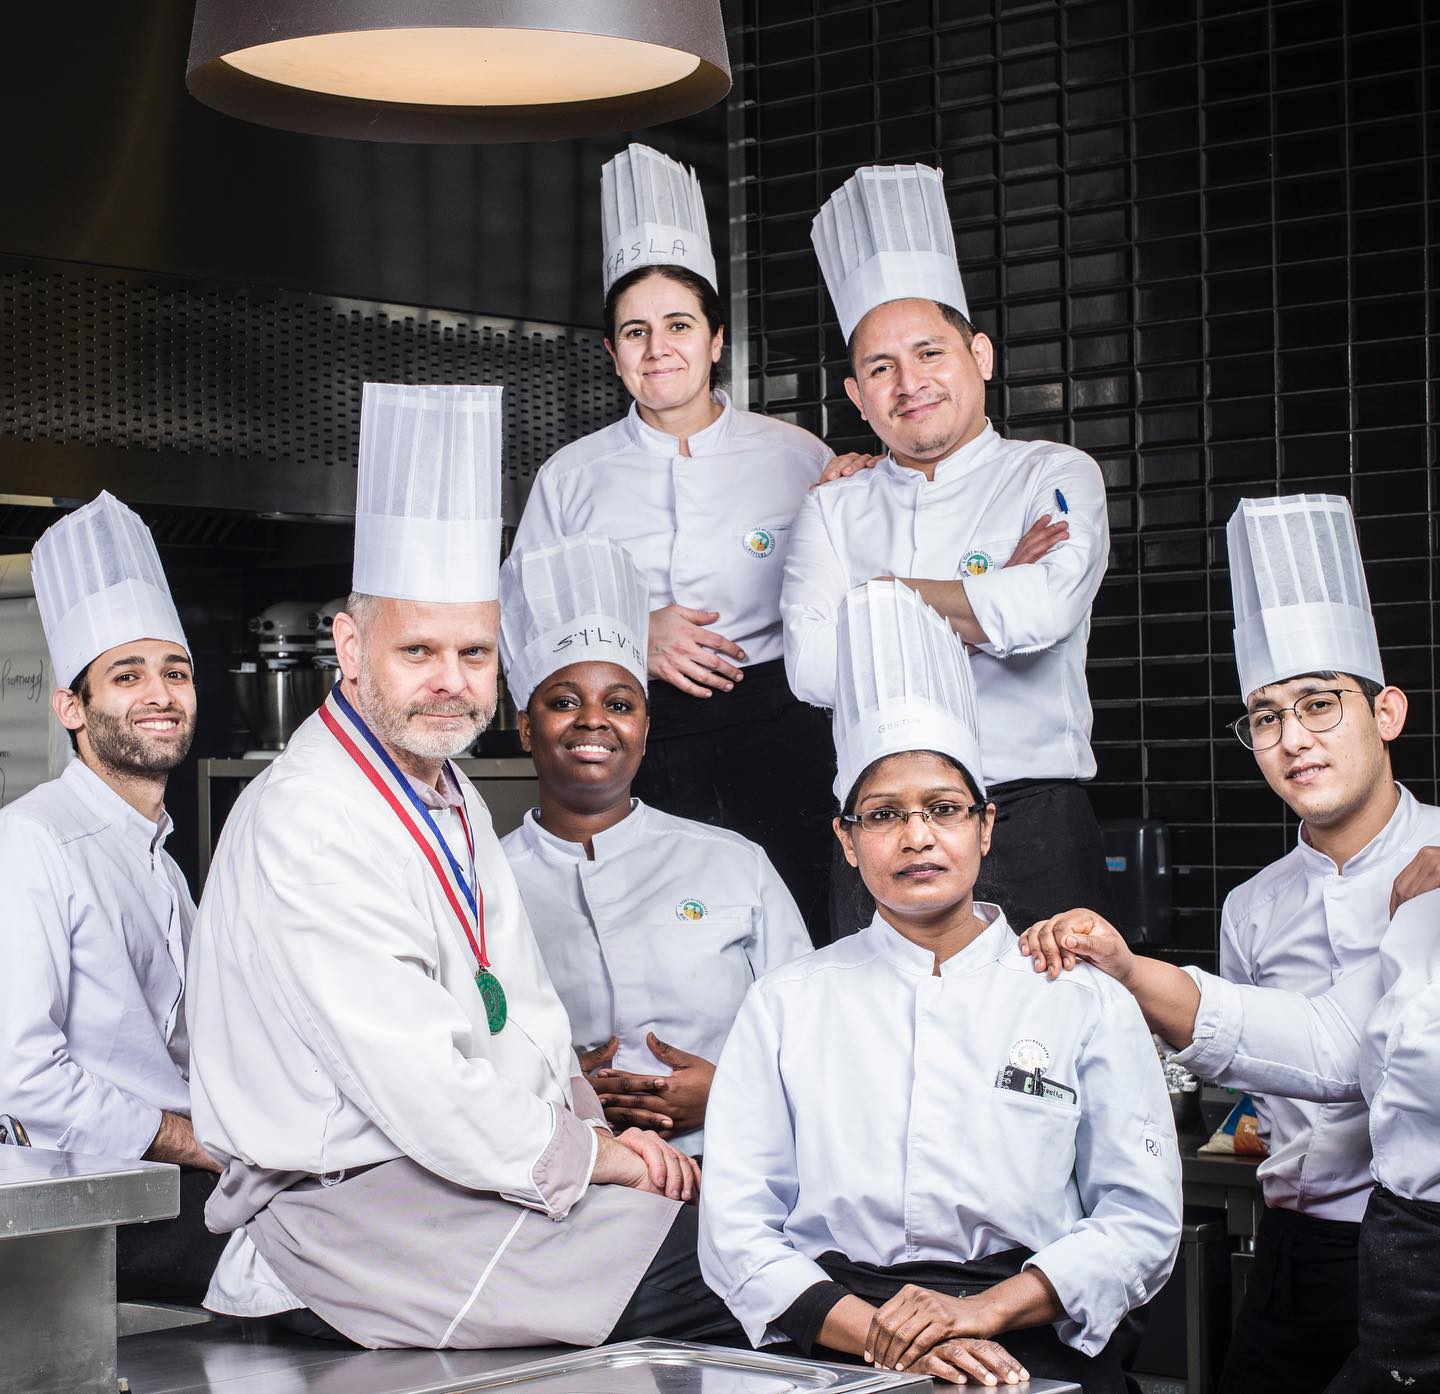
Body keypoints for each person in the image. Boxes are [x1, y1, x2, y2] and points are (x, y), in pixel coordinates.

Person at [186, 384, 741, 1350]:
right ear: (349, 647)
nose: (452, 681)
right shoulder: (309, 818)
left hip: (468, 1178)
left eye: (475, 652)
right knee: (731, 1276)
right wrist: (598, 1159)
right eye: (419, 651)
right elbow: (419, 1084)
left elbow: (522, 1003)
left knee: (752, 1243)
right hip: (357, 1220)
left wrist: (601, 1137)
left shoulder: (451, 793)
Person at [698, 579, 1181, 1393]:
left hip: (1028, 1329)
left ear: (985, 827)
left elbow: (1140, 1222)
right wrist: (886, 1337)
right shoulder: (785, 1004)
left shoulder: (1078, 995)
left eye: (944, 808)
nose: (916, 835)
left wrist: (979, 1314)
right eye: (883, 815)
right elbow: (737, 1229)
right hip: (839, 1335)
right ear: (847, 841)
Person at [1017, 493, 1440, 1394]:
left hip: (1421, 1240)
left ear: (1388, 712)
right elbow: (1279, 1072)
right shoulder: (1252, 906)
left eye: (1319, 705)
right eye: (1266, 717)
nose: (1294, 740)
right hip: (1298, 1251)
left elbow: (1340, 1053)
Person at [515, 143, 841, 944]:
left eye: (679, 325)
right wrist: (633, 630)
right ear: (612, 353)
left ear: (716, 339)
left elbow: (847, 590)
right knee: (659, 940)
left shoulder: (798, 456)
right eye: (635, 332)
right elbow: (520, 614)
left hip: (785, 733)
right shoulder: (571, 475)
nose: (658, 348)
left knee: (794, 932)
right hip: (644, 738)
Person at [781, 163, 1111, 933]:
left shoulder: (1054, 474)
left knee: (1061, 1012)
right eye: (881, 368)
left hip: (1033, 820)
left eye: (930, 352)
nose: (910, 383)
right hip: (878, 828)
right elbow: (813, 669)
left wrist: (879, 601)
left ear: (981, 356)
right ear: (857, 396)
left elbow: (1042, 611)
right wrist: (982, 602)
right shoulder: (832, 506)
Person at [497, 533, 811, 1158]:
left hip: (736, 1164)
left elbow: (810, 1032)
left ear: (644, 729)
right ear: (527, 728)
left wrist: (729, 1091)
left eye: (619, 703)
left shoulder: (734, 863)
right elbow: (457, 1049)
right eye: (564, 702)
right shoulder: (482, 880)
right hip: (565, 1168)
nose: (593, 720)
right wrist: (561, 1094)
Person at [0, 490, 226, 1303]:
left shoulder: (162, 860)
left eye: (175, 672)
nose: (160, 694)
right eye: (126, 676)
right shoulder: (30, 841)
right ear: (72, 706)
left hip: (183, 1185)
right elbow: (23, 1078)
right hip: (99, 1204)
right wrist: (195, 1143)